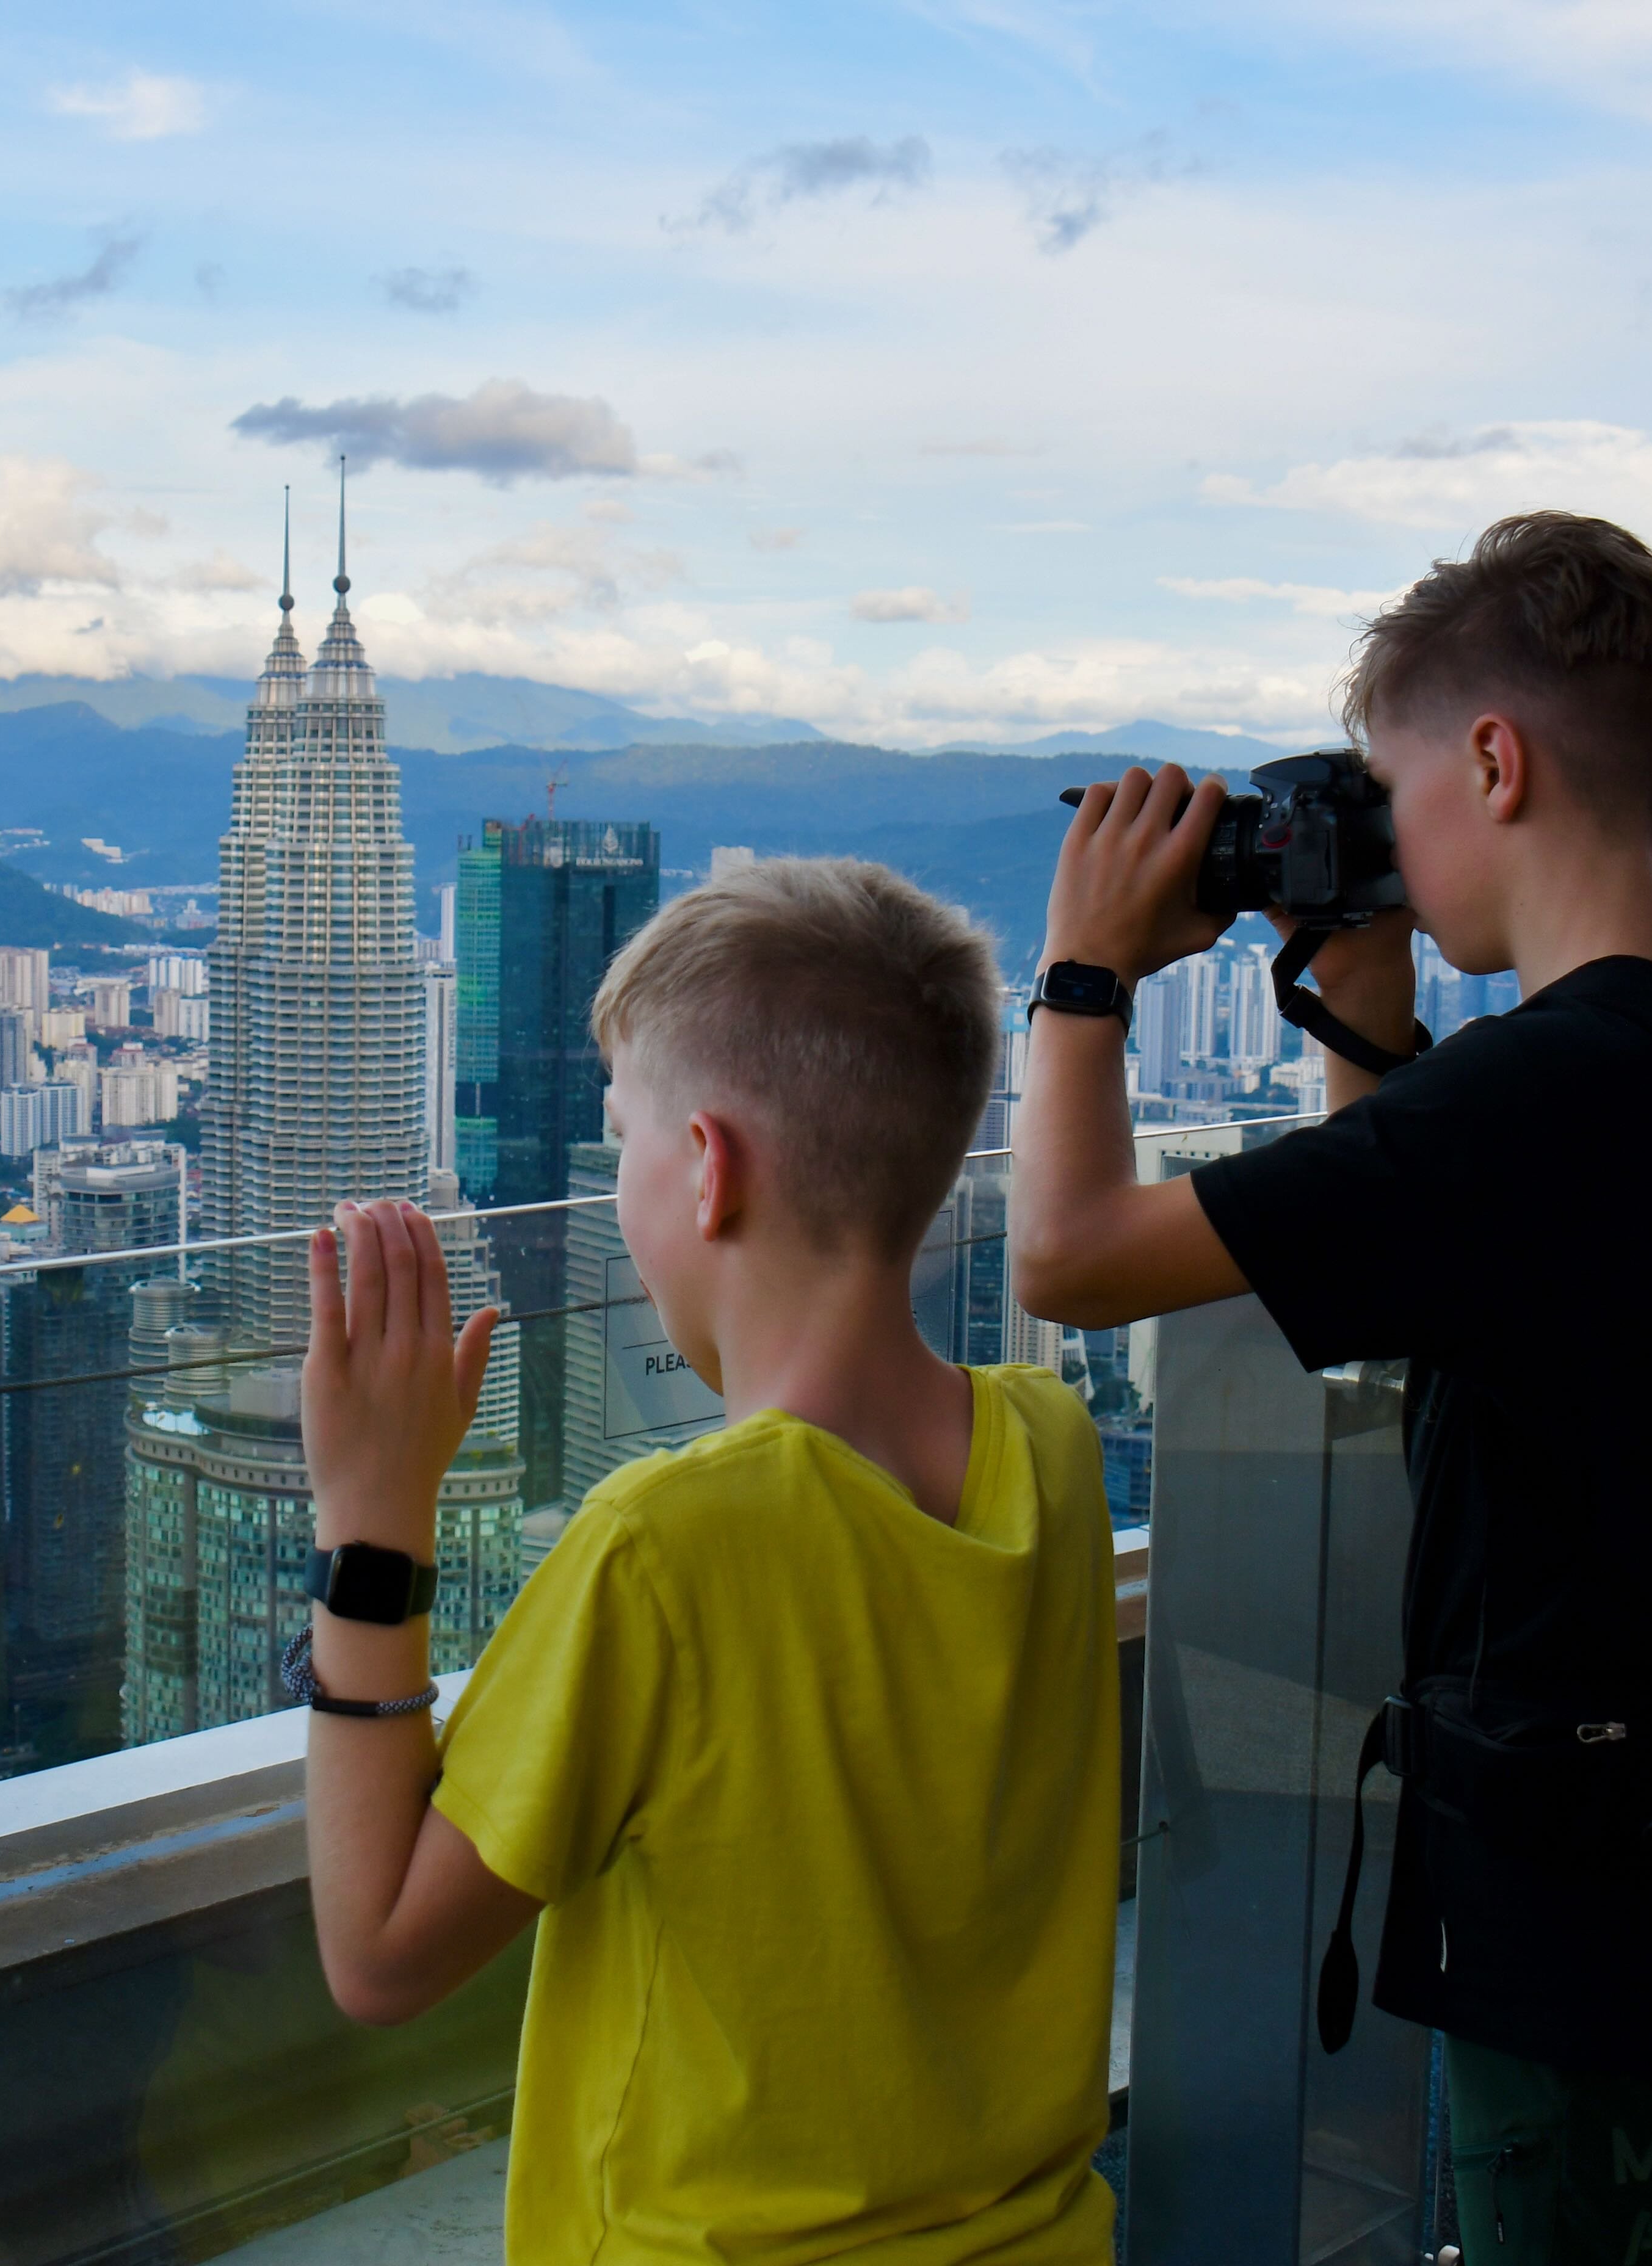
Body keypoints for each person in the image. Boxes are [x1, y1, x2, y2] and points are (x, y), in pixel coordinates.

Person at [1009, 512, 1652, 2266]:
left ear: (1495, 762)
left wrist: (1083, 971)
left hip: (1586, 1925)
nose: (1395, 848)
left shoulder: (1523, 1102)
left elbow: (1066, 1258)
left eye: (1399, 798)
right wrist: (1360, 1015)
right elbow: (1405, 1288)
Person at [294, 858, 1122, 2265]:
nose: (617, 1192)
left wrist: (372, 1523)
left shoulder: (662, 1547)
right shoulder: (1049, 1447)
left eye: (621, 1142)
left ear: (704, 1164)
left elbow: (379, 1952)